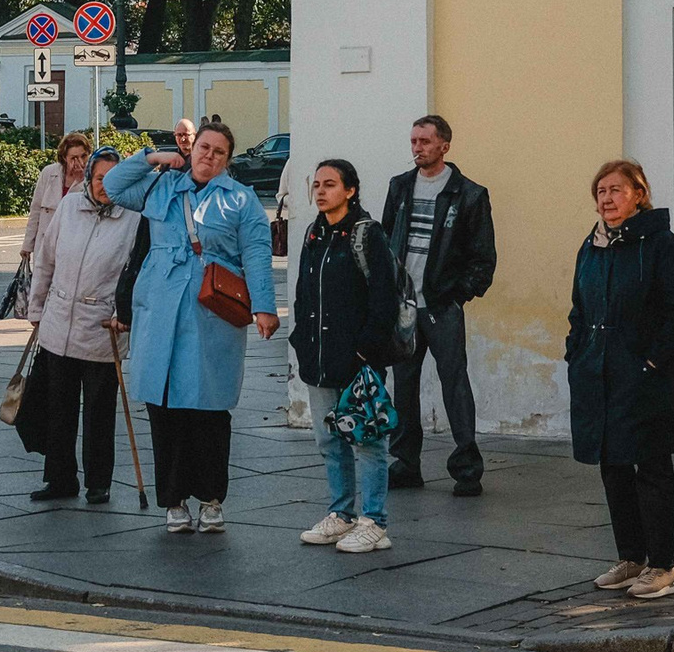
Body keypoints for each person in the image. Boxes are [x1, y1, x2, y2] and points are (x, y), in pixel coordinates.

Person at [104, 120, 278, 533]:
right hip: (160, 309)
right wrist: (152, 157)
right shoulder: (162, 186)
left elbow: (256, 253)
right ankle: (174, 501)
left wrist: (265, 308)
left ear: (228, 159)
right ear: (191, 148)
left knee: (209, 409)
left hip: (211, 312)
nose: (209, 157)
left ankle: (211, 498)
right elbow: (112, 185)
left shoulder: (241, 200)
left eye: (219, 152)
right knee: (163, 409)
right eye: (203, 148)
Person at [567, 159, 674, 601]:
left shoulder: (660, 244)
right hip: (599, 375)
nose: (606, 198)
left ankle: (664, 567)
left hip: (644, 378)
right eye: (601, 191)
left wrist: (651, 364)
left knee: (651, 468)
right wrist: (578, 355)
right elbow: (580, 313)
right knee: (614, 467)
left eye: (616, 190)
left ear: (638, 195)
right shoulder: (592, 247)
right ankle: (632, 558)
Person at [378, 114, 498, 496]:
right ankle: (406, 463)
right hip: (404, 308)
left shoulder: (470, 194)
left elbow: (483, 258)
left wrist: (456, 294)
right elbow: (385, 243)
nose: (417, 148)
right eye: (414, 141)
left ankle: (467, 469)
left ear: (444, 145)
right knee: (405, 387)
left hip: (442, 306)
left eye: (425, 142)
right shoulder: (399, 187)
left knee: (455, 385)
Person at [24, 146, 144, 504]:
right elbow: (45, 260)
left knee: (99, 410)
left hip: (102, 328)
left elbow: (136, 273)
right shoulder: (69, 207)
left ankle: (98, 481)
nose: (106, 186)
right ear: (89, 178)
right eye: (99, 178)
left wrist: (125, 314)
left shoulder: (133, 218)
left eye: (114, 179)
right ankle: (60, 478)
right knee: (58, 408)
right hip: (59, 324)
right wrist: (37, 308)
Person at [294, 159, 402, 553]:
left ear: (350, 190)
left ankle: (375, 521)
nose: (321, 191)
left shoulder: (366, 234)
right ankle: (342, 515)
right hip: (319, 358)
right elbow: (304, 292)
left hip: (356, 361)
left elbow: (383, 299)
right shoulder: (313, 233)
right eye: (317, 185)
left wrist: (365, 350)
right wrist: (300, 340)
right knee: (329, 441)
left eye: (330, 184)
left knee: (367, 440)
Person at [13, 132, 92, 317]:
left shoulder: (91, 177)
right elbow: (36, 210)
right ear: (64, 157)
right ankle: (41, 318)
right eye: (73, 157)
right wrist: (27, 245)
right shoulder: (49, 173)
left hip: (73, 244)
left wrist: (83, 180)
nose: (79, 162)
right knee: (44, 284)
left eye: (83, 156)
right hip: (47, 241)